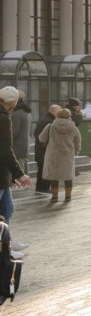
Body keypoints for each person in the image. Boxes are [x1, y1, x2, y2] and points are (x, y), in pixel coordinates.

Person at [0, 87, 32, 227]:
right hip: (1, 173)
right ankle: (5, 245)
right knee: (6, 210)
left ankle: (7, 242)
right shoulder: (3, 118)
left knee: (8, 209)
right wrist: (19, 175)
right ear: (12, 102)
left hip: (4, 174)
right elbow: (5, 149)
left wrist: (12, 177)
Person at [38, 108, 81, 203]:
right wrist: (76, 152)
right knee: (68, 177)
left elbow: (41, 139)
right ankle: (68, 197)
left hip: (53, 155)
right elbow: (78, 142)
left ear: (57, 115)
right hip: (67, 155)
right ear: (69, 116)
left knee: (54, 177)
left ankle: (54, 197)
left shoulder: (50, 126)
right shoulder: (74, 127)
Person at [33, 104, 59, 194]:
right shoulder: (50, 122)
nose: (59, 114)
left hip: (40, 149)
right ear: (53, 111)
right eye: (58, 112)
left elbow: (35, 133)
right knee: (46, 169)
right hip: (45, 150)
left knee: (41, 169)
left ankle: (40, 187)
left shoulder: (44, 119)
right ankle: (43, 188)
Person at [10, 93, 29, 177]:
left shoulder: (17, 114)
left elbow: (13, 131)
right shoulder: (25, 112)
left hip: (17, 145)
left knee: (19, 166)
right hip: (23, 144)